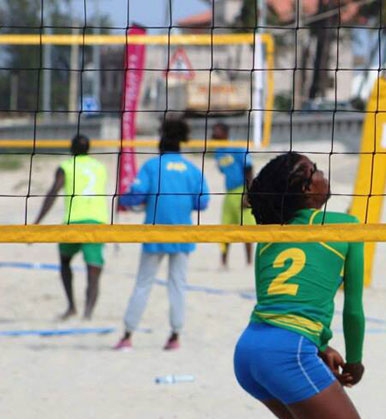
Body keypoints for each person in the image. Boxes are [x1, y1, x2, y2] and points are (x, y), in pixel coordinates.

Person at [234, 152, 378, 419]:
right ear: (304, 189)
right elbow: (353, 309)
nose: (323, 175)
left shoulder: (270, 236)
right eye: (316, 171)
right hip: (288, 351)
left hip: (250, 352)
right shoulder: (346, 227)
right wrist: (356, 358)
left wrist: (320, 344)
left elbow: (287, 300)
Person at [114, 118, 210, 351]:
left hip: (155, 233)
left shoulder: (152, 166)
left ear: (160, 144)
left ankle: (127, 335)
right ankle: (175, 336)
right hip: (182, 235)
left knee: (143, 284)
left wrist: (124, 199)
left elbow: (135, 195)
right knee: (178, 285)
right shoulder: (192, 170)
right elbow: (203, 201)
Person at [33, 134, 108, 320]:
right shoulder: (100, 167)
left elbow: (53, 193)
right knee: (93, 268)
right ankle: (88, 313)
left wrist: (37, 222)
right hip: (97, 222)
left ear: (71, 149)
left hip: (73, 222)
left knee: (65, 262)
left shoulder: (66, 167)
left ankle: (72, 306)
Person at [211, 122, 255, 269]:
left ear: (224, 132)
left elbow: (249, 169)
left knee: (246, 228)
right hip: (229, 192)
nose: (213, 133)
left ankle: (249, 262)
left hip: (242, 190)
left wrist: (248, 194)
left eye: (216, 130)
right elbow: (224, 171)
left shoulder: (237, 146)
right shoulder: (217, 152)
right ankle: (223, 262)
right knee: (225, 227)